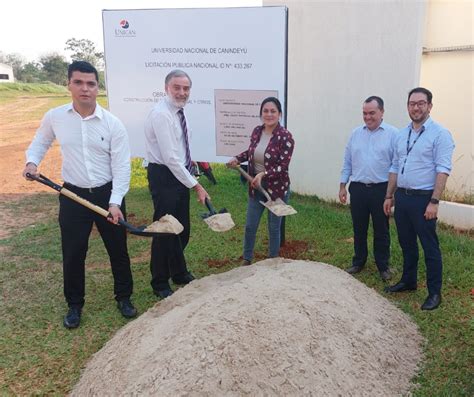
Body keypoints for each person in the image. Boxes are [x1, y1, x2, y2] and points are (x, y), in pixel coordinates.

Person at [23, 61, 137, 329]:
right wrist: (32, 162)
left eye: (91, 84)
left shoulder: (113, 124)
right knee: (73, 252)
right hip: (72, 194)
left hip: (107, 193)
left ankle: (124, 298)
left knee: (118, 250)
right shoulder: (55, 117)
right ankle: (74, 304)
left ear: (98, 88)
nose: (85, 89)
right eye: (79, 83)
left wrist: (115, 202)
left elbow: (121, 167)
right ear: (69, 85)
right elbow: (41, 141)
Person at [383, 87, 455, 310]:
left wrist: (434, 202)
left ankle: (434, 293)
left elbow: (442, 169)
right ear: (407, 106)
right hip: (402, 197)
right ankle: (409, 281)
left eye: (421, 103)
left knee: (429, 247)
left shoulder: (440, 134)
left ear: (430, 106)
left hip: (424, 199)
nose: (416, 107)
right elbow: (395, 166)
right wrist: (389, 195)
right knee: (406, 243)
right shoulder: (401, 134)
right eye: (412, 103)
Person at [144, 70, 209, 299]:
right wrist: (196, 186)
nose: (182, 92)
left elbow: (181, 150)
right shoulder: (161, 115)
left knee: (182, 230)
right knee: (166, 230)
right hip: (164, 176)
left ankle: (179, 272)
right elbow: (170, 158)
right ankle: (160, 281)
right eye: (177, 87)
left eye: (186, 88)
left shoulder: (179, 112)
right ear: (166, 88)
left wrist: (191, 172)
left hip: (178, 174)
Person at [227, 97, 294, 266]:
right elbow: (251, 152)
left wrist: (263, 174)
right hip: (256, 187)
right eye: (266, 111)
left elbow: (283, 166)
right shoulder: (257, 131)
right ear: (261, 113)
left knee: (274, 228)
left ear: (280, 114)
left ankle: (272, 262)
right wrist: (237, 158)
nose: (269, 114)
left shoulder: (285, 137)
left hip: (277, 190)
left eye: (273, 111)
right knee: (250, 226)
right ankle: (247, 259)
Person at [339, 96, 398, 281]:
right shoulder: (356, 133)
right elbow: (347, 161)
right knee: (359, 228)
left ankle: (383, 265)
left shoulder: (393, 134)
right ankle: (358, 261)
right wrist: (343, 185)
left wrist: (391, 193)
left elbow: (396, 165)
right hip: (357, 189)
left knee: (381, 229)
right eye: (365, 113)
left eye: (372, 113)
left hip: (381, 190)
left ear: (382, 112)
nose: (368, 117)